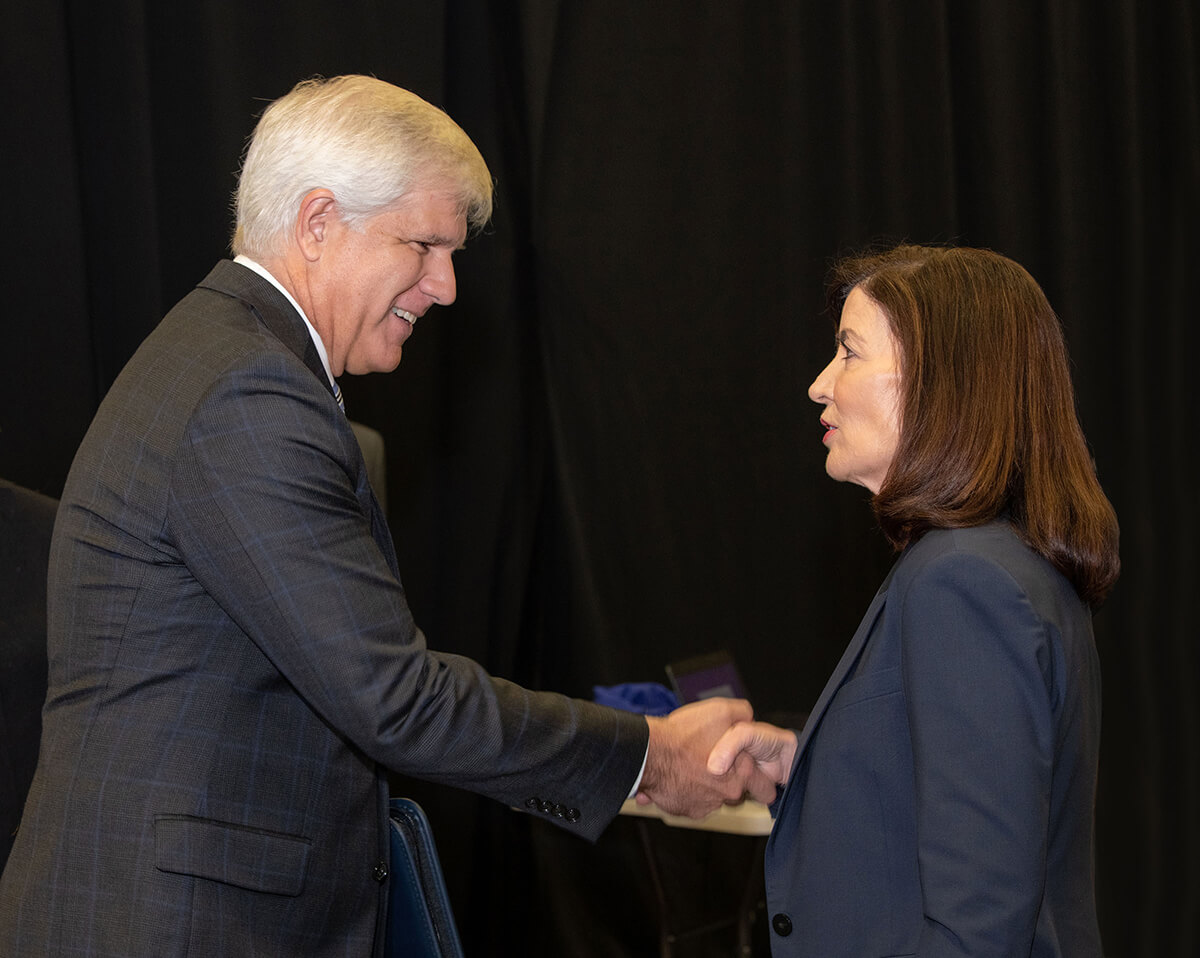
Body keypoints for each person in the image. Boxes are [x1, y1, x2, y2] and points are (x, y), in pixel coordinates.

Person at [0, 75, 772, 957]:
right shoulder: (247, 393)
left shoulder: (225, 359)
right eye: (424, 245)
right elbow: (394, 700)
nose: (445, 286)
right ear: (319, 222)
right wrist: (648, 758)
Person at [710, 244, 1119, 957]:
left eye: (849, 352)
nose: (819, 384)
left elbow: (979, 925)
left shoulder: (963, 581)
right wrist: (809, 761)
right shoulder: (1002, 561)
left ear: (939, 382)